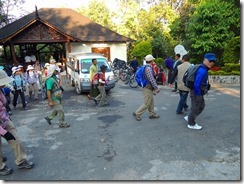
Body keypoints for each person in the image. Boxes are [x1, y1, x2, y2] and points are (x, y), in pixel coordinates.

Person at [0, 70, 34, 176]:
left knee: (16, 140)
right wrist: (4, 133)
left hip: (4, 120)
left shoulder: (1, 90)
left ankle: (21, 160)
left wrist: (8, 119)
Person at [184, 53, 216, 130]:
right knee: (196, 107)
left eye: (213, 61)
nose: (212, 63)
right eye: (210, 61)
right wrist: (198, 95)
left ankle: (189, 117)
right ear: (205, 60)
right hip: (196, 92)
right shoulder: (202, 70)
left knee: (200, 106)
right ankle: (191, 123)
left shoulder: (203, 68)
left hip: (196, 91)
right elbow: (196, 84)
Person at [132, 54, 160, 121]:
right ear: (151, 60)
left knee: (151, 101)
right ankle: (137, 113)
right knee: (147, 103)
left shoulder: (145, 67)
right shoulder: (148, 68)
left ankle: (152, 113)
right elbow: (151, 79)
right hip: (147, 87)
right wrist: (156, 88)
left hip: (146, 86)